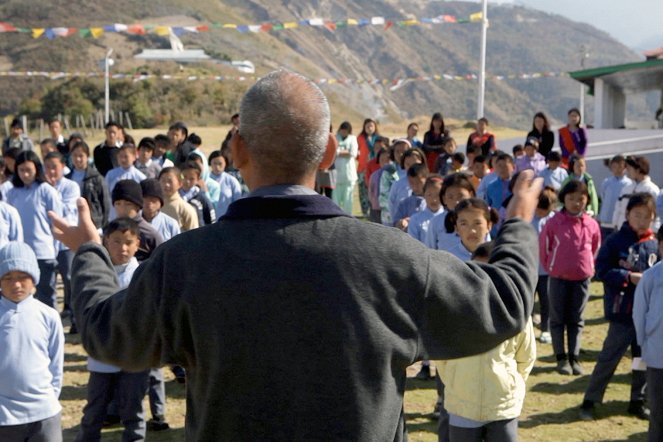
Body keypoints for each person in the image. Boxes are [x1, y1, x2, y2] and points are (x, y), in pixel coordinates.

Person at [50, 70, 542, 441]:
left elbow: (105, 334)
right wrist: (517, 220)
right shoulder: (391, 257)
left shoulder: (186, 263)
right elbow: (504, 304)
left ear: (237, 149)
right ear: (329, 153)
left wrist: (89, 252)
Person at [437, 200, 535, 441]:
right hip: (462, 404)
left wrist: (511, 384)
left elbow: (526, 355)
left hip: (502, 405)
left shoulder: (515, 306)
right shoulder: (455, 306)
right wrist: (457, 384)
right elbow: (441, 354)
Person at [579, 193, 659, 422]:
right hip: (623, 312)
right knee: (609, 357)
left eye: (647, 216)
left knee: (641, 359)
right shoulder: (615, 241)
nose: (642, 220)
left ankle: (637, 400)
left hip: (648, 316)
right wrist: (627, 277)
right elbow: (601, 270)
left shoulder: (654, 244)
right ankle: (590, 400)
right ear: (627, 215)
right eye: (637, 215)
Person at [76, 218, 150, 442]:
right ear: (105, 241)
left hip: (134, 357)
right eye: (116, 241)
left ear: (138, 243)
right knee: (95, 410)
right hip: (102, 358)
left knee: (133, 411)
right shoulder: (97, 270)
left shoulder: (145, 274)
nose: (123, 248)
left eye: (128, 242)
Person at [0, 242, 65, 442]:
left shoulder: (48, 315)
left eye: (22, 277)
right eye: (8, 278)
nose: (16, 284)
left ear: (34, 279)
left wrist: (50, 398)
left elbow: (56, 365)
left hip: (44, 413)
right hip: (4, 417)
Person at [540, 180, 601, 375]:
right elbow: (544, 248)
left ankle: (574, 357)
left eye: (581, 199)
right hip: (558, 277)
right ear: (563, 199)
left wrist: (587, 266)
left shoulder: (591, 224)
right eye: (571, 198)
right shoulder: (554, 223)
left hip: (582, 278)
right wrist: (552, 266)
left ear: (587, 200)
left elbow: (595, 247)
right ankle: (561, 358)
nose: (576, 202)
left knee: (576, 319)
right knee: (558, 319)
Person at [7, 151, 63, 309]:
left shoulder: (46, 191)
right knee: (21, 298)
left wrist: (55, 250)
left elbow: (57, 224)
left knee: (46, 296)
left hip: (43, 253)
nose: (25, 174)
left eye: (29, 170)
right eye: (21, 170)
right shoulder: (12, 193)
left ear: (37, 170)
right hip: (21, 254)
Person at [44, 152, 80, 328]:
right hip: (47, 243)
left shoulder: (71, 186)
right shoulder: (41, 187)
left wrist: (51, 193)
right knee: (48, 283)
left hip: (66, 243)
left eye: (54, 167)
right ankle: (50, 322)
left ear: (62, 167)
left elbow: (65, 212)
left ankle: (75, 319)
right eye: (47, 167)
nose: (50, 171)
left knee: (70, 280)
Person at [633, 225, 663, 441]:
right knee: (659, 414)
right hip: (657, 355)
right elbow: (639, 314)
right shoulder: (651, 277)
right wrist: (644, 345)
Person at [111, 180, 163, 262]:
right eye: (118, 204)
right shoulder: (109, 231)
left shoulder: (151, 236)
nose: (122, 208)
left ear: (138, 206)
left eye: (128, 204)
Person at [531, 187, 558, 344]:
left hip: (547, 269)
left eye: (545, 211)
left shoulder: (554, 220)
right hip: (530, 268)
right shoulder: (528, 218)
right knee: (528, 301)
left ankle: (546, 329)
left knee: (546, 300)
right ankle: (526, 329)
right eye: (539, 210)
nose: (541, 214)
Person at [66, 141, 111, 230]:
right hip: (72, 223)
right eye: (75, 155)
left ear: (87, 157)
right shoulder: (67, 178)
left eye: (81, 156)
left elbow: (105, 204)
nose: (78, 159)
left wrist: (102, 225)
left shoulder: (97, 178)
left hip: (94, 223)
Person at [425, 173, 477, 252]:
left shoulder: (479, 219)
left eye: (461, 196)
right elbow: (429, 251)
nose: (456, 202)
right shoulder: (436, 223)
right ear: (444, 199)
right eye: (450, 197)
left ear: (471, 195)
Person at [612, 156, 660, 230]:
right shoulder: (626, 188)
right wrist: (615, 223)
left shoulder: (652, 190)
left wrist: (654, 230)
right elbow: (618, 207)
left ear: (638, 170)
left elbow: (657, 214)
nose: (627, 172)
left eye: (629, 169)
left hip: (642, 232)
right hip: (623, 230)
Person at [598, 155, 632, 239]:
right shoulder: (606, 182)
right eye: (614, 167)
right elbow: (603, 196)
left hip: (619, 222)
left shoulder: (629, 184)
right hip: (605, 221)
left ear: (625, 167)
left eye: (620, 166)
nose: (617, 169)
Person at [159, 167, 199, 231]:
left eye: (170, 181)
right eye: (163, 180)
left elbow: (194, 235)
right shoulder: (154, 205)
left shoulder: (186, 208)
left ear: (180, 184)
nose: (166, 185)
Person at [408, 175, 444, 244]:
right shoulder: (415, 219)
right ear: (424, 194)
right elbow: (412, 245)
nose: (434, 200)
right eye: (429, 195)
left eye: (437, 195)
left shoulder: (448, 219)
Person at [333, 121, 359, 214]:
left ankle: (347, 217)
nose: (343, 132)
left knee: (348, 200)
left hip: (349, 175)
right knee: (336, 200)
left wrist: (340, 152)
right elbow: (334, 152)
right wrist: (344, 152)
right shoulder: (335, 138)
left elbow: (353, 153)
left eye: (345, 131)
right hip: (337, 175)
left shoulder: (353, 139)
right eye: (342, 130)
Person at [180, 161, 216, 226]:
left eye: (192, 179)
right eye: (184, 177)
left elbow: (211, 220)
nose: (187, 181)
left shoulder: (202, 198)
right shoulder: (174, 196)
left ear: (198, 179)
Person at [393, 163, 428, 230]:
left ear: (426, 180)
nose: (415, 186)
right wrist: (401, 223)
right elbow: (395, 223)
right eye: (411, 183)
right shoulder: (405, 203)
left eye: (419, 182)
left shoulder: (433, 201)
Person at [208, 151, 242, 218]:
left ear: (225, 163)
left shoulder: (232, 181)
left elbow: (238, 203)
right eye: (214, 163)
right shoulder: (206, 181)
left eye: (220, 164)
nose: (217, 167)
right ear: (210, 163)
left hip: (227, 220)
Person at [357, 118, 379, 217]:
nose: (369, 128)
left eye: (371, 126)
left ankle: (374, 211)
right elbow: (356, 152)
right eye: (367, 126)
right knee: (362, 191)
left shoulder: (378, 139)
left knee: (374, 189)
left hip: (375, 169)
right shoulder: (360, 138)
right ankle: (365, 212)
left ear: (375, 127)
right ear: (364, 127)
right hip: (362, 169)